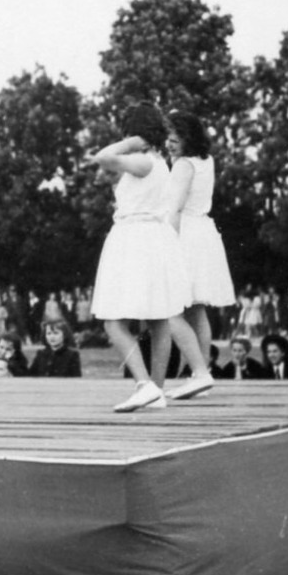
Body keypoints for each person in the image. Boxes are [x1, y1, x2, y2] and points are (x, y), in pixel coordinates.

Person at [87, 103, 215, 412]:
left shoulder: (144, 161)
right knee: (158, 319)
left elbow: (102, 157)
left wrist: (133, 140)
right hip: (151, 239)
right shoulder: (159, 163)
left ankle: (144, 384)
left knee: (113, 322)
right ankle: (157, 389)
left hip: (135, 239)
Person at [156, 111, 236, 382]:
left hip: (185, 234)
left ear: (188, 137)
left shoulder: (182, 166)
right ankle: (201, 372)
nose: (169, 143)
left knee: (169, 310)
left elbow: (175, 209)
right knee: (196, 309)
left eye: (175, 138)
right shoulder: (206, 160)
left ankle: (198, 371)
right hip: (203, 233)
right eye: (167, 137)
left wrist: (169, 246)